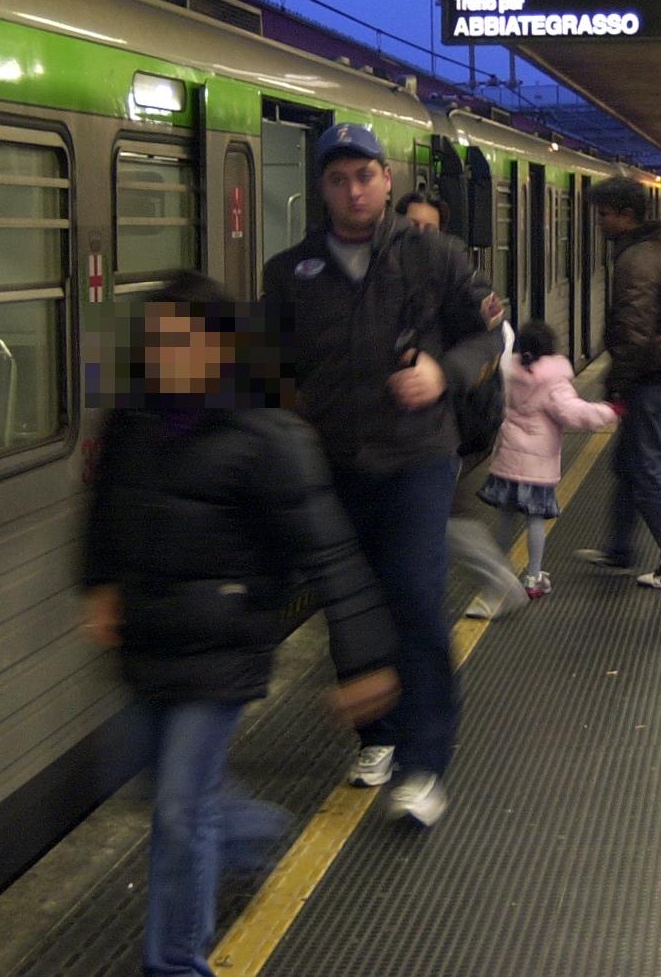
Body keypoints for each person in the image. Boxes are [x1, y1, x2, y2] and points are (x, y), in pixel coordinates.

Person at [82, 272, 400, 977]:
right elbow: (106, 513)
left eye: (183, 340)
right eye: (157, 340)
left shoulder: (267, 434)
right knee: (137, 775)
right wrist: (98, 585)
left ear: (223, 347)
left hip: (224, 645)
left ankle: (176, 964)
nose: (166, 354)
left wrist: (365, 658)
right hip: (150, 639)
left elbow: (331, 551)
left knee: (177, 813)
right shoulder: (134, 420)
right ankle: (255, 826)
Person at [262, 122, 504, 826]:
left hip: (418, 458)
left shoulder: (435, 256)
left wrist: (444, 371)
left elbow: (487, 334)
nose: (353, 190)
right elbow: (269, 368)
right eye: (338, 179)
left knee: (417, 601)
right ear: (322, 188)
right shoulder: (291, 273)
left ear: (387, 179)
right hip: (334, 463)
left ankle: (426, 763)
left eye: (365, 175)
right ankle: (378, 735)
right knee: (351, 602)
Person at [576, 176, 661, 590]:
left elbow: (634, 332)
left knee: (646, 466)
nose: (600, 222)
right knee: (628, 463)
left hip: (648, 379)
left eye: (604, 214)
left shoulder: (636, 261)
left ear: (626, 216)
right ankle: (620, 550)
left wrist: (617, 384)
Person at [466, 320, 619, 613]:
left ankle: (500, 576)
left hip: (508, 459)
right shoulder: (552, 380)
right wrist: (608, 411)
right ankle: (533, 577)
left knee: (507, 518)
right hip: (537, 465)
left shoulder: (509, 371)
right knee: (535, 521)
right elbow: (574, 414)